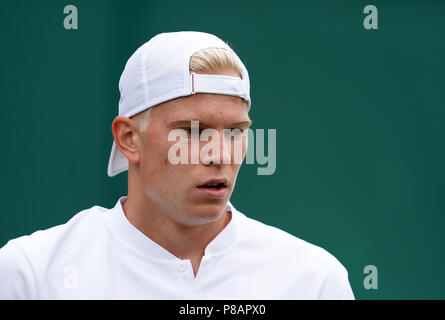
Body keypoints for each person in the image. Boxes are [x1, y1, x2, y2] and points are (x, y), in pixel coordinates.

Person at [0, 31, 354, 299]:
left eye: (235, 131)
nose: (219, 154)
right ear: (128, 138)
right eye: (191, 131)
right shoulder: (31, 274)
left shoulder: (314, 280)